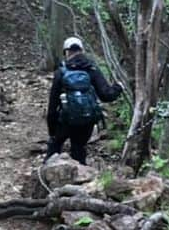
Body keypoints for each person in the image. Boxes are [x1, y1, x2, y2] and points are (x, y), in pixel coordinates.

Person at [45, 36, 123, 165]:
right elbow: (106, 95)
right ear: (82, 51)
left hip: (65, 120)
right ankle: (81, 178)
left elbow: (52, 105)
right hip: (86, 121)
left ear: (66, 52)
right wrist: (118, 87)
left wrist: (52, 131)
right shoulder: (92, 69)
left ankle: (46, 177)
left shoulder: (61, 72)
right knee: (79, 150)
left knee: (55, 148)